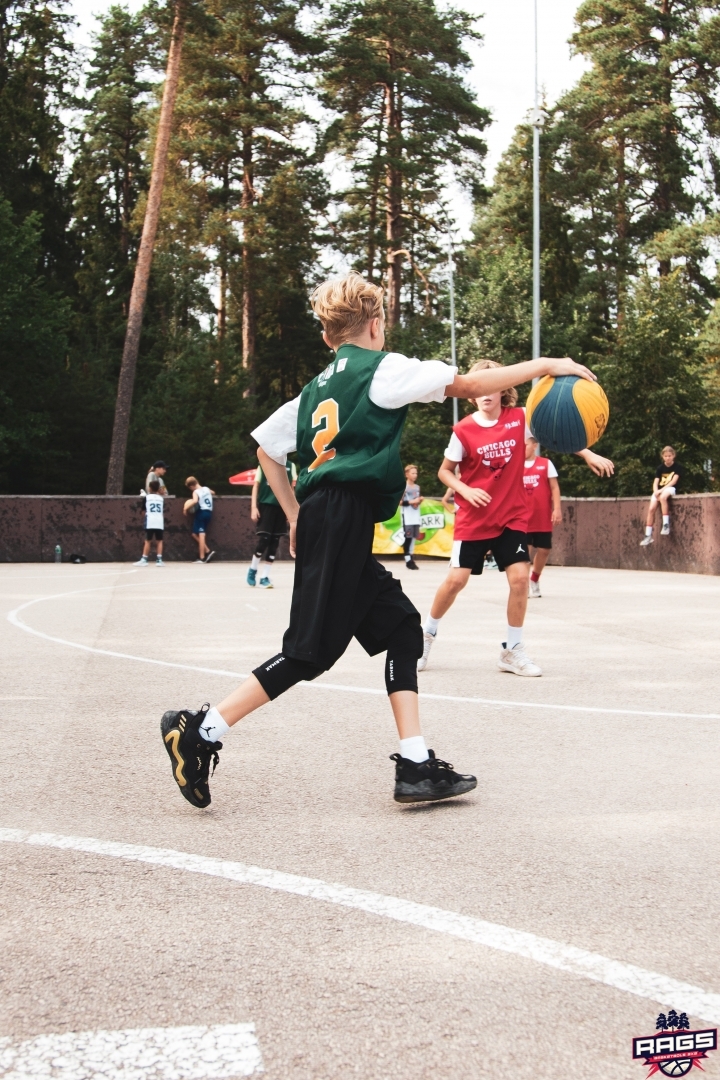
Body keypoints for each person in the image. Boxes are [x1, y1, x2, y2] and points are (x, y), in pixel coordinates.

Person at [160, 272, 599, 811]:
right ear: (376, 324)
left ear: (328, 337)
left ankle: (415, 765)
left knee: (403, 629)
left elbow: (266, 452)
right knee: (309, 654)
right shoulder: (383, 369)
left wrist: (297, 515)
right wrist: (549, 366)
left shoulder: (315, 389)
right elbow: (467, 386)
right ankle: (199, 732)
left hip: (330, 516)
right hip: (341, 516)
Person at [417, 361, 614, 677]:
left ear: (502, 389)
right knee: (456, 581)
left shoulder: (519, 419)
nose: (485, 393)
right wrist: (464, 489)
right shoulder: (464, 429)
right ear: (473, 393)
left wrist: (588, 453)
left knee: (520, 579)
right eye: (479, 386)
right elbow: (444, 472)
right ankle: (427, 634)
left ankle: (511, 650)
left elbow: (556, 429)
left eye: (491, 385)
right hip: (475, 518)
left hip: (511, 517)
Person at [248, 460, 297, 588]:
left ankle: (265, 576)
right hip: (266, 506)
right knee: (264, 539)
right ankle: (253, 569)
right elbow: (256, 486)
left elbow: (292, 489)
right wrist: (254, 507)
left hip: (281, 507)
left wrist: (290, 509)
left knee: (275, 541)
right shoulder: (264, 462)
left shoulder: (291, 466)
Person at [523, 435, 561, 598]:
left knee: (544, 549)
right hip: (522, 517)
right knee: (524, 552)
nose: (522, 448)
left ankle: (534, 579)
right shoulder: (515, 466)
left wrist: (557, 509)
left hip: (542, 515)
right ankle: (522, 584)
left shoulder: (545, 464)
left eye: (525, 445)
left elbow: (554, 487)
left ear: (534, 446)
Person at [640, 446, 682, 546]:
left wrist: (661, 490)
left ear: (673, 456)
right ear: (662, 456)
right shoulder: (660, 468)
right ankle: (648, 535)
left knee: (663, 498)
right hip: (659, 490)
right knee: (651, 509)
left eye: (670, 456)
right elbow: (655, 482)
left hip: (670, 489)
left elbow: (673, 481)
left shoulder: (677, 467)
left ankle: (666, 524)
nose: (668, 458)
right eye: (666, 456)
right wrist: (655, 491)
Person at [134, 480, 165, 566]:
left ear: (149, 488)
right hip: (159, 521)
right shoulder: (161, 499)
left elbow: (143, 511)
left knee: (148, 540)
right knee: (159, 540)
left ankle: (144, 559)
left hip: (150, 521)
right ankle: (159, 560)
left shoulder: (147, 498)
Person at [185, 476, 215, 563]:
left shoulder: (196, 492)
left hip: (201, 512)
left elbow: (194, 501)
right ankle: (207, 551)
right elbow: (213, 492)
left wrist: (185, 508)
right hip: (209, 512)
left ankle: (202, 557)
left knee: (201, 535)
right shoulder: (206, 488)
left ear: (191, 486)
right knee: (194, 534)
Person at [400, 464, 422, 570]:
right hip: (407, 516)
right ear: (407, 474)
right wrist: (412, 501)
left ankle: (411, 557)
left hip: (415, 515)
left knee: (413, 537)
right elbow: (400, 502)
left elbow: (416, 502)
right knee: (408, 537)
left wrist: (419, 501)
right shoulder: (404, 487)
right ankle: (408, 560)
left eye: (416, 473)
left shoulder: (417, 487)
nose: (415, 475)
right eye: (412, 473)